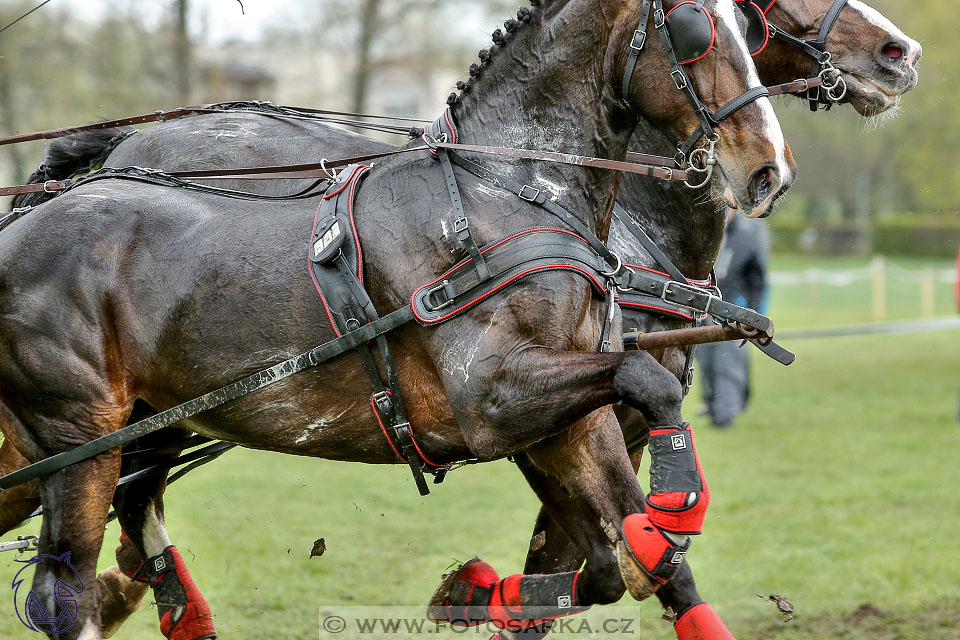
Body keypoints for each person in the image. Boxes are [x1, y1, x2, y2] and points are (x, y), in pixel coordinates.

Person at [696, 211, 770, 428]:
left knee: (728, 361)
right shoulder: (704, 231)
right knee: (706, 361)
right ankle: (712, 404)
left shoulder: (748, 236)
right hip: (703, 310)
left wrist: (754, 313)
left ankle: (725, 413)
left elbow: (757, 281)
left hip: (736, 310)